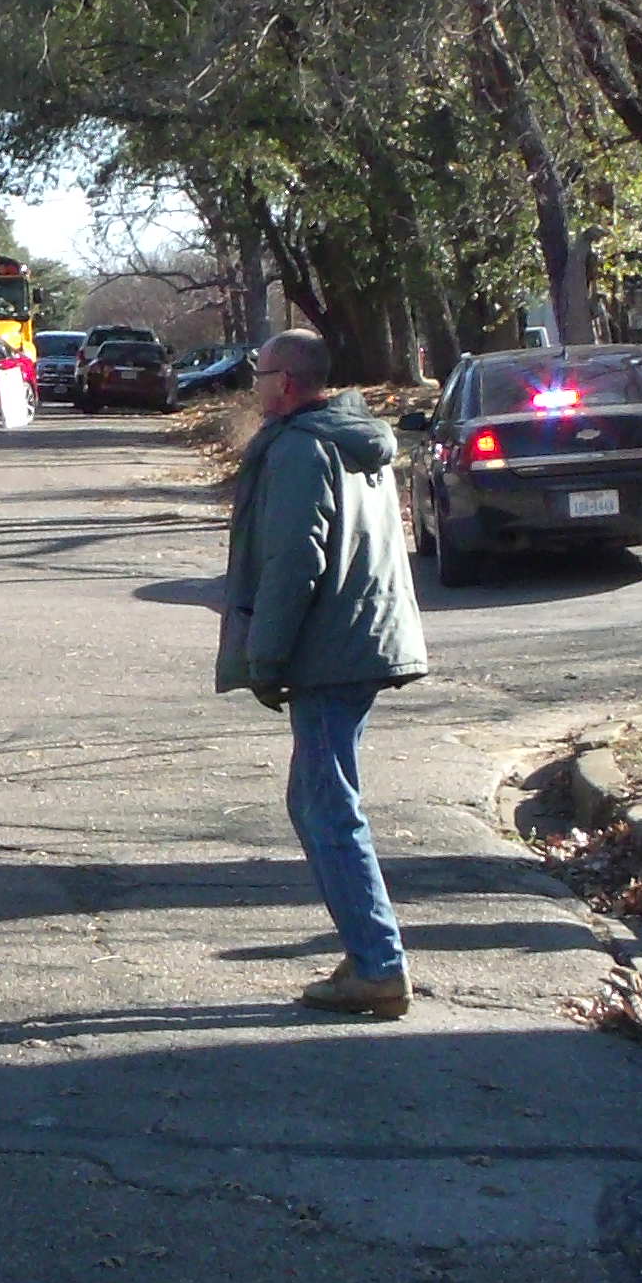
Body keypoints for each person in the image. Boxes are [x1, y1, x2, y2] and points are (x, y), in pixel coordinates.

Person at [218, 332, 428, 1020]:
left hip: (329, 649)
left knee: (326, 806)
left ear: (286, 381)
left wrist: (265, 656)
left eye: (261, 373)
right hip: (360, 640)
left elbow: (294, 561)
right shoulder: (351, 438)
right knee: (316, 798)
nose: (254, 384)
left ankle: (377, 965)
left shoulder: (303, 448)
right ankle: (369, 955)